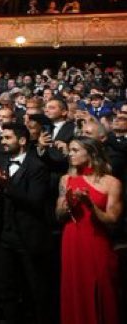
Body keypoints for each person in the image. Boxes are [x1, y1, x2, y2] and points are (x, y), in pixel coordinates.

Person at [0, 122, 54, 324]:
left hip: (28, 237)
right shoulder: (0, 161)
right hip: (3, 235)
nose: (3, 142)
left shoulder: (38, 167)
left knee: (36, 290)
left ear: (22, 140)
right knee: (6, 288)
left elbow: (35, 202)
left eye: (8, 138)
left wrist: (5, 186)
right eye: (2, 138)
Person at [56, 136, 123, 324]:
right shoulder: (66, 179)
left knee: (102, 287)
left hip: (97, 241)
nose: (70, 154)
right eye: (70, 150)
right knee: (75, 288)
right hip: (72, 240)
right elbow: (58, 215)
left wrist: (91, 206)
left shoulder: (112, 183)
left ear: (91, 153)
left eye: (75, 150)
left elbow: (112, 219)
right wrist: (67, 205)